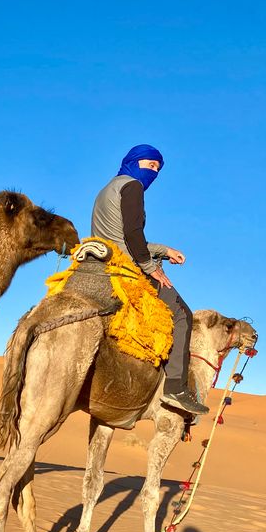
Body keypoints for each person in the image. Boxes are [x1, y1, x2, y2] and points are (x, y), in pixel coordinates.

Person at [91, 144, 209, 416]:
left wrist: (165, 251)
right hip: (126, 267)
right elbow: (132, 235)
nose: (153, 172)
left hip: (104, 261)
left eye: (157, 168)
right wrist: (150, 266)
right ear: (133, 162)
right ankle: (175, 389)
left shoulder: (105, 191)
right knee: (182, 315)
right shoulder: (131, 186)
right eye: (150, 165)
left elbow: (120, 238)